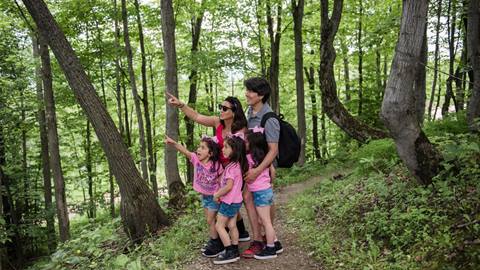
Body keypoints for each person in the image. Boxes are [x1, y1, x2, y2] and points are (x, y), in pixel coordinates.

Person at [166, 93, 251, 241]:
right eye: (220, 107)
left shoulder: (240, 130)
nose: (221, 110)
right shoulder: (217, 122)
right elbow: (196, 116)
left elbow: (245, 153)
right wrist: (181, 105)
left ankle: (233, 236)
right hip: (219, 170)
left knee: (230, 200)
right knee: (225, 201)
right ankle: (240, 232)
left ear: (234, 112)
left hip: (233, 170)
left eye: (225, 108)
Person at [242, 77, 283, 256]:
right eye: (247, 90)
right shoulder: (249, 112)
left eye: (251, 91)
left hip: (264, 170)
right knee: (251, 200)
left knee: (264, 204)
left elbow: (273, 150)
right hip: (251, 168)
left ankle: (267, 240)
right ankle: (265, 240)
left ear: (261, 94)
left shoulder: (269, 118)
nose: (247, 94)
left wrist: (258, 171)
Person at [164, 135, 224, 257]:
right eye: (199, 147)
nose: (199, 150)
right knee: (211, 221)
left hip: (214, 197)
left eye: (203, 148)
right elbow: (184, 150)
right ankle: (216, 241)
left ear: (210, 153)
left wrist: (220, 193)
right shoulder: (196, 160)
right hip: (205, 197)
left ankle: (217, 244)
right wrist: (173, 143)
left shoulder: (216, 165)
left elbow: (222, 177)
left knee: (210, 220)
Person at [212, 134, 249, 264]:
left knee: (219, 225)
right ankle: (234, 248)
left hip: (229, 202)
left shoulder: (230, 168)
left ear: (235, 150)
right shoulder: (237, 165)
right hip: (236, 201)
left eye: (226, 147)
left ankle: (229, 251)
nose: (223, 149)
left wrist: (217, 194)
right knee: (232, 225)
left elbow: (228, 187)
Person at [245, 128, 279, 259]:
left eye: (246, 141)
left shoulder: (249, 158)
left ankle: (270, 249)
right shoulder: (264, 158)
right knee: (263, 220)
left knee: (266, 221)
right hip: (267, 191)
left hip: (260, 193)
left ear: (252, 144)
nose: (244, 144)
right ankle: (275, 243)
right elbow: (273, 173)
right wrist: (270, 184)